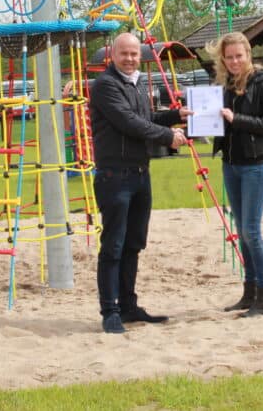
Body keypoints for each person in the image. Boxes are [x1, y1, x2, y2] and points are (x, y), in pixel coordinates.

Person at [90, 32, 192, 334]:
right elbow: (128, 122)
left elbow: (145, 116)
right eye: (125, 53)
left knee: (134, 243)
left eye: (135, 54)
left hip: (139, 173)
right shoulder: (105, 85)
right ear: (113, 55)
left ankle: (129, 305)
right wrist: (168, 137)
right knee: (113, 245)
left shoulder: (137, 83)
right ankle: (110, 310)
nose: (131, 58)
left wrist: (175, 115)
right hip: (115, 176)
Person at [209, 32, 263, 317]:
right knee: (241, 231)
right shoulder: (224, 85)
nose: (235, 61)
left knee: (251, 230)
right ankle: (250, 292)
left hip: (256, 164)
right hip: (232, 163)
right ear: (223, 60)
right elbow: (218, 120)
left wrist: (235, 119)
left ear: (248, 54)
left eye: (239, 55)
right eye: (229, 57)